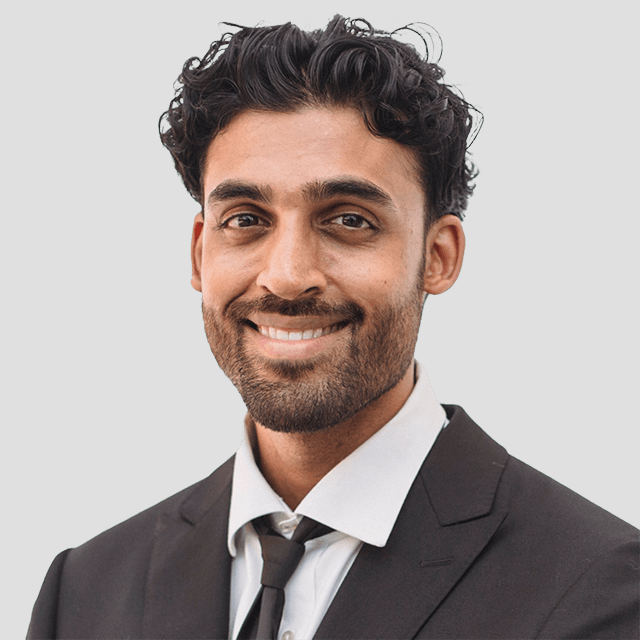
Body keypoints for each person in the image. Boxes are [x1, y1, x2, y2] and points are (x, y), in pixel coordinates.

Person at [27, 15, 639, 640]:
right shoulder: (83, 593)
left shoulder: (601, 590)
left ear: (438, 256)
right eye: (245, 219)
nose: (287, 277)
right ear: (199, 253)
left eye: (349, 220)